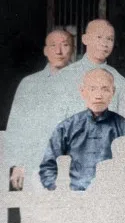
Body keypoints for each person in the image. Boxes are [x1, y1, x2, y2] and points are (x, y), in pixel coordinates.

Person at [39, 69, 125, 191]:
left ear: (113, 92)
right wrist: (62, 193)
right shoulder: (66, 127)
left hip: (111, 196)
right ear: (82, 92)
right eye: (92, 89)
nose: (98, 96)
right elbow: (48, 168)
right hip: (73, 197)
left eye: (105, 89)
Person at [5, 28, 74, 191]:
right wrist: (16, 164)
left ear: (73, 49)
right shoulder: (29, 84)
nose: (59, 51)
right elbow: (16, 128)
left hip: (71, 167)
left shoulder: (82, 81)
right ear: (45, 51)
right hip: (35, 164)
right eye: (53, 45)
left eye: (65, 45)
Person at [59, 19, 125, 116]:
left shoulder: (119, 80)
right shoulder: (66, 75)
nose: (104, 43)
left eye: (110, 39)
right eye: (99, 37)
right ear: (85, 39)